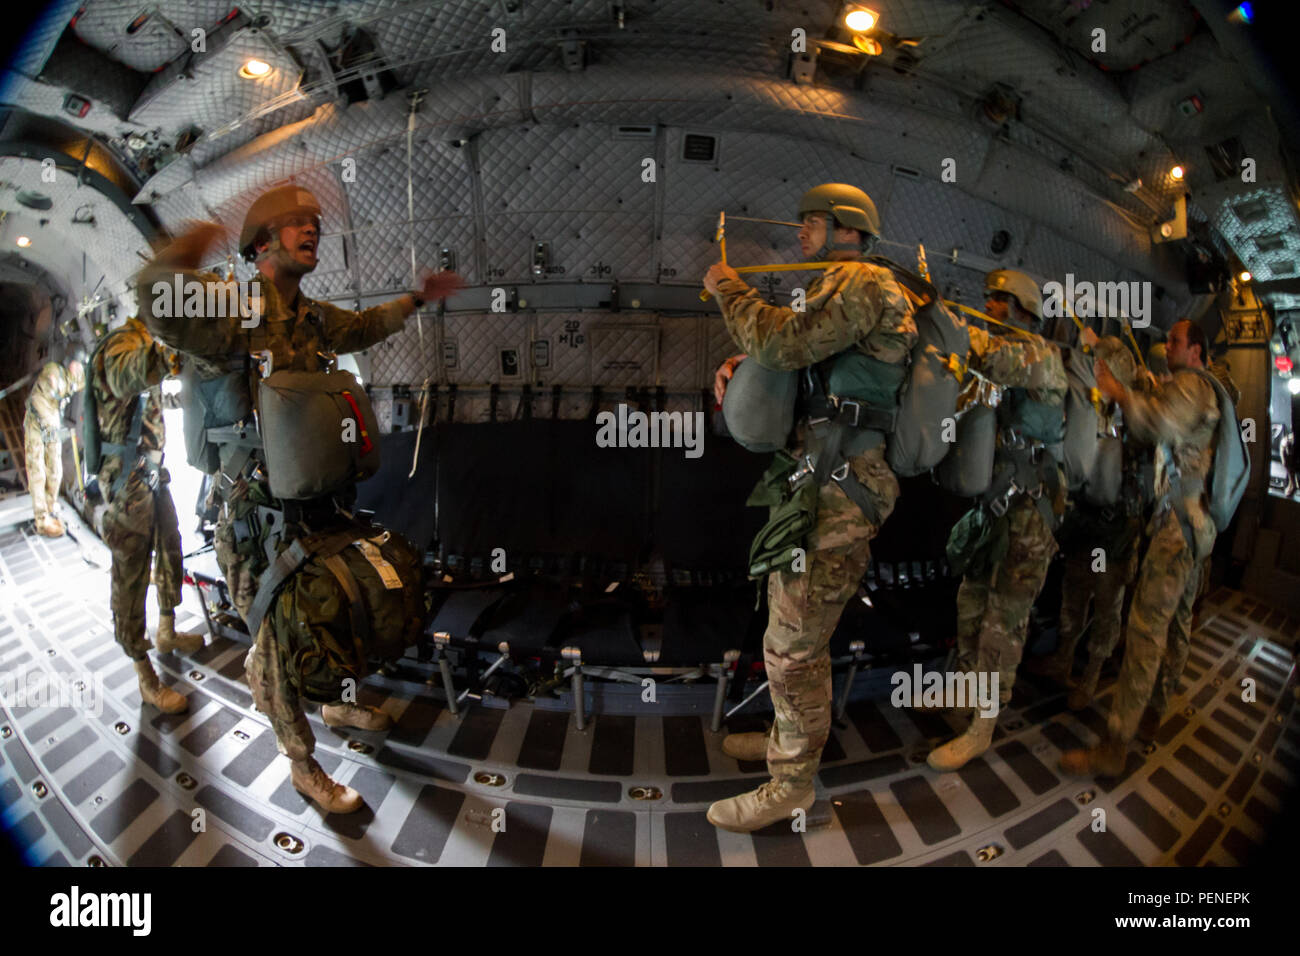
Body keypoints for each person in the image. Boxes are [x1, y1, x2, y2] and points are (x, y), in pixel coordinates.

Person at [140, 183, 462, 812]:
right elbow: (158, 301)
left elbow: (366, 326)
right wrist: (200, 236)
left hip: (314, 501)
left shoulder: (313, 319)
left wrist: (416, 298)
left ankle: (338, 700)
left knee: (335, 610)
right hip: (251, 515)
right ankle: (302, 765)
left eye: (314, 223)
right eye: (294, 224)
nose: (311, 230)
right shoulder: (229, 312)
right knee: (275, 641)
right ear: (261, 244)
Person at [703, 183, 917, 832]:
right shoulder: (846, 286)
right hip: (818, 486)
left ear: (847, 228)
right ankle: (784, 744)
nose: (800, 232)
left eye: (812, 221)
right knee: (791, 636)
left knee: (796, 649)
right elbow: (807, 367)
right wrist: (745, 365)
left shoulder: (863, 282)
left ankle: (792, 784)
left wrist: (728, 289)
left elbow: (787, 344)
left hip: (839, 497)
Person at [1060, 320, 1219, 774]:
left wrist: (1117, 391)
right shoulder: (1201, 388)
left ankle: (1114, 746)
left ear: (1195, 351)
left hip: (1176, 527)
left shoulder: (1192, 386)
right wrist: (1100, 350)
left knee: (1146, 631)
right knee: (1178, 625)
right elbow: (1158, 397)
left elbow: (1157, 421)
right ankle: (1152, 717)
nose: (1165, 346)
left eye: (1174, 341)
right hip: (1196, 525)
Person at [926, 269, 1068, 772]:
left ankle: (984, 726)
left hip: (1029, 514)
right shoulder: (997, 363)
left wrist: (945, 319)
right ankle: (966, 695)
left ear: (1026, 311)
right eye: (987, 298)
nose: (990, 306)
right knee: (970, 604)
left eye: (999, 300)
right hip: (994, 506)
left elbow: (990, 354)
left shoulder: (1041, 357)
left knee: (1002, 621)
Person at [91, 319, 206, 714]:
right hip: (126, 482)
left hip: (152, 473)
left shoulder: (147, 342)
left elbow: (151, 400)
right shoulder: (123, 344)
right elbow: (128, 376)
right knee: (131, 574)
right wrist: (176, 349)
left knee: (171, 547)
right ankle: (145, 674)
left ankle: (167, 631)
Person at [1032, 331, 1142, 710]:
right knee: (1074, 594)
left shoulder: (1136, 415)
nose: (1097, 375)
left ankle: (1092, 677)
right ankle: (1063, 662)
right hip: (1086, 521)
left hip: (1117, 531)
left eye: (1103, 369)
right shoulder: (1090, 406)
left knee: (1108, 604)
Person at [22, 359, 83, 536]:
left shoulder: (74, 381)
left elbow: (83, 383)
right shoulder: (54, 369)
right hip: (36, 424)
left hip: (52, 427)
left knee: (55, 471)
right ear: (71, 366)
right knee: (37, 472)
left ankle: (50, 505)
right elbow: (52, 381)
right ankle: (41, 520)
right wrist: (60, 387)